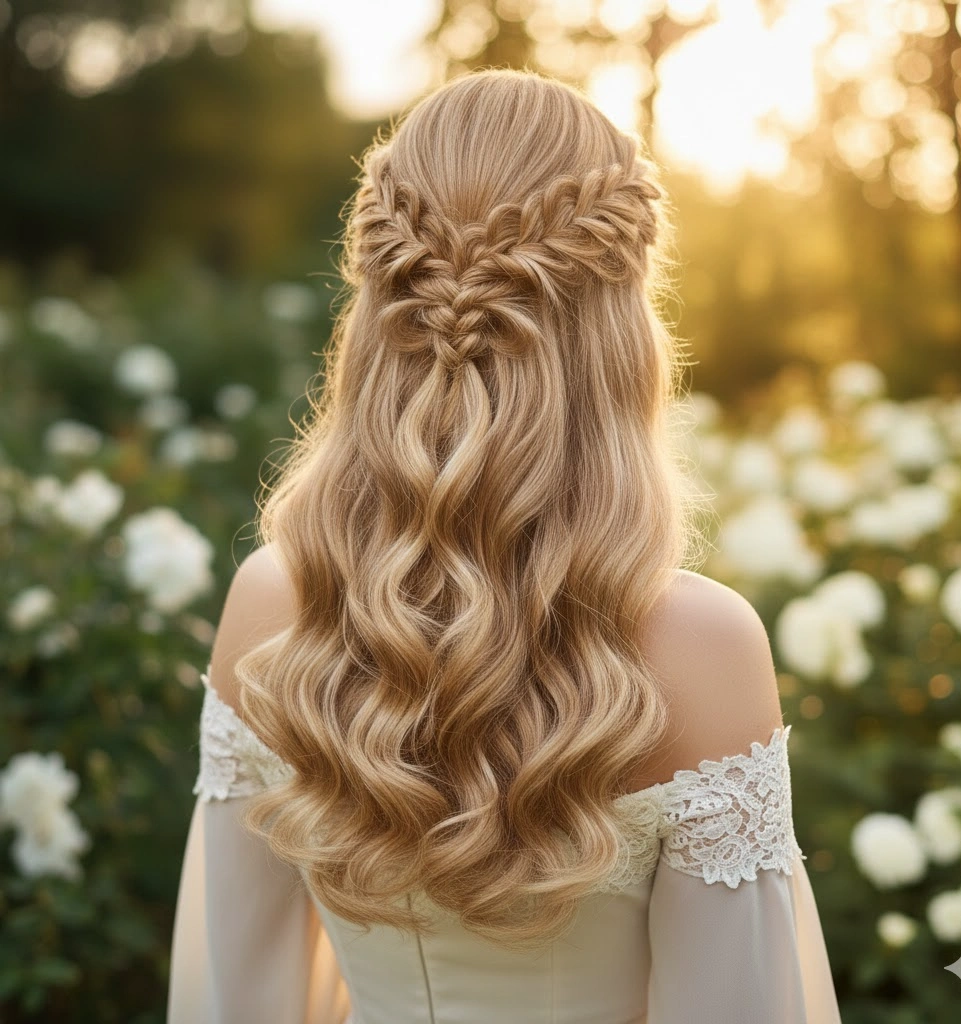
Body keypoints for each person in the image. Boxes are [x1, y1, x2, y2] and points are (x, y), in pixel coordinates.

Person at [166, 67, 843, 1023]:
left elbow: (239, 998)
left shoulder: (272, 602)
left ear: (375, 312)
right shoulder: (702, 647)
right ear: (621, 331)